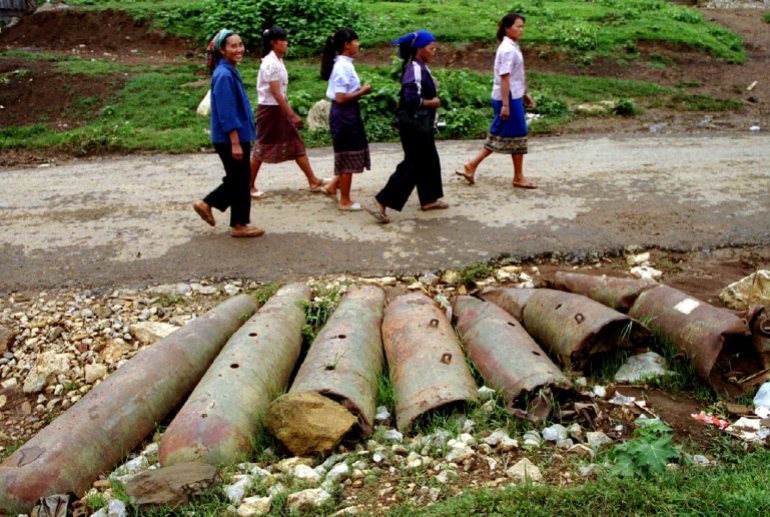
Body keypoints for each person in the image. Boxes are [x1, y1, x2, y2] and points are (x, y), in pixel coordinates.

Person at [365, 30, 447, 224]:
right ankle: (382, 199)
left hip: (419, 124)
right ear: (419, 49)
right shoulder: (415, 69)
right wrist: (431, 103)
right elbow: (411, 99)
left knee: (429, 159)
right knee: (414, 164)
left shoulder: (418, 67)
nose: (434, 51)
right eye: (431, 48)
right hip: (414, 124)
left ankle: (429, 199)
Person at [193, 29, 263, 238]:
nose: (239, 49)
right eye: (233, 46)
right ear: (222, 50)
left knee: (239, 179)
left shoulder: (229, 70)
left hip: (236, 136)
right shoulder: (224, 75)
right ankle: (217, 210)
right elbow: (226, 112)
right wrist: (234, 142)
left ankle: (236, 221)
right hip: (231, 138)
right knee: (239, 180)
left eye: (240, 44)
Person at [457, 13, 537, 189]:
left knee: (501, 132)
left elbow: (516, 76)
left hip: (511, 96)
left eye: (523, 26)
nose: (521, 30)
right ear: (507, 28)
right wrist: (507, 105)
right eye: (518, 26)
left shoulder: (511, 46)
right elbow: (505, 78)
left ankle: (472, 166)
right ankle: (517, 177)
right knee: (517, 134)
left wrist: (524, 93)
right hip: (507, 98)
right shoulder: (508, 49)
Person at [249, 27, 327, 198]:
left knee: (295, 142)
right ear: (273, 43)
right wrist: (291, 114)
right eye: (282, 40)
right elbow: (276, 93)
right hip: (270, 111)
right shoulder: (270, 63)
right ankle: (249, 185)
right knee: (262, 146)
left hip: (279, 109)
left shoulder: (278, 61)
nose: (286, 43)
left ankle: (312, 180)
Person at [320, 28, 372, 211]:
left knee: (348, 151)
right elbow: (341, 97)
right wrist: (362, 91)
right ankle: (345, 200)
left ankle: (333, 186)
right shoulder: (343, 66)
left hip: (347, 113)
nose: (358, 44)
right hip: (344, 114)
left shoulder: (344, 63)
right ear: (346, 45)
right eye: (355, 41)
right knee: (347, 154)